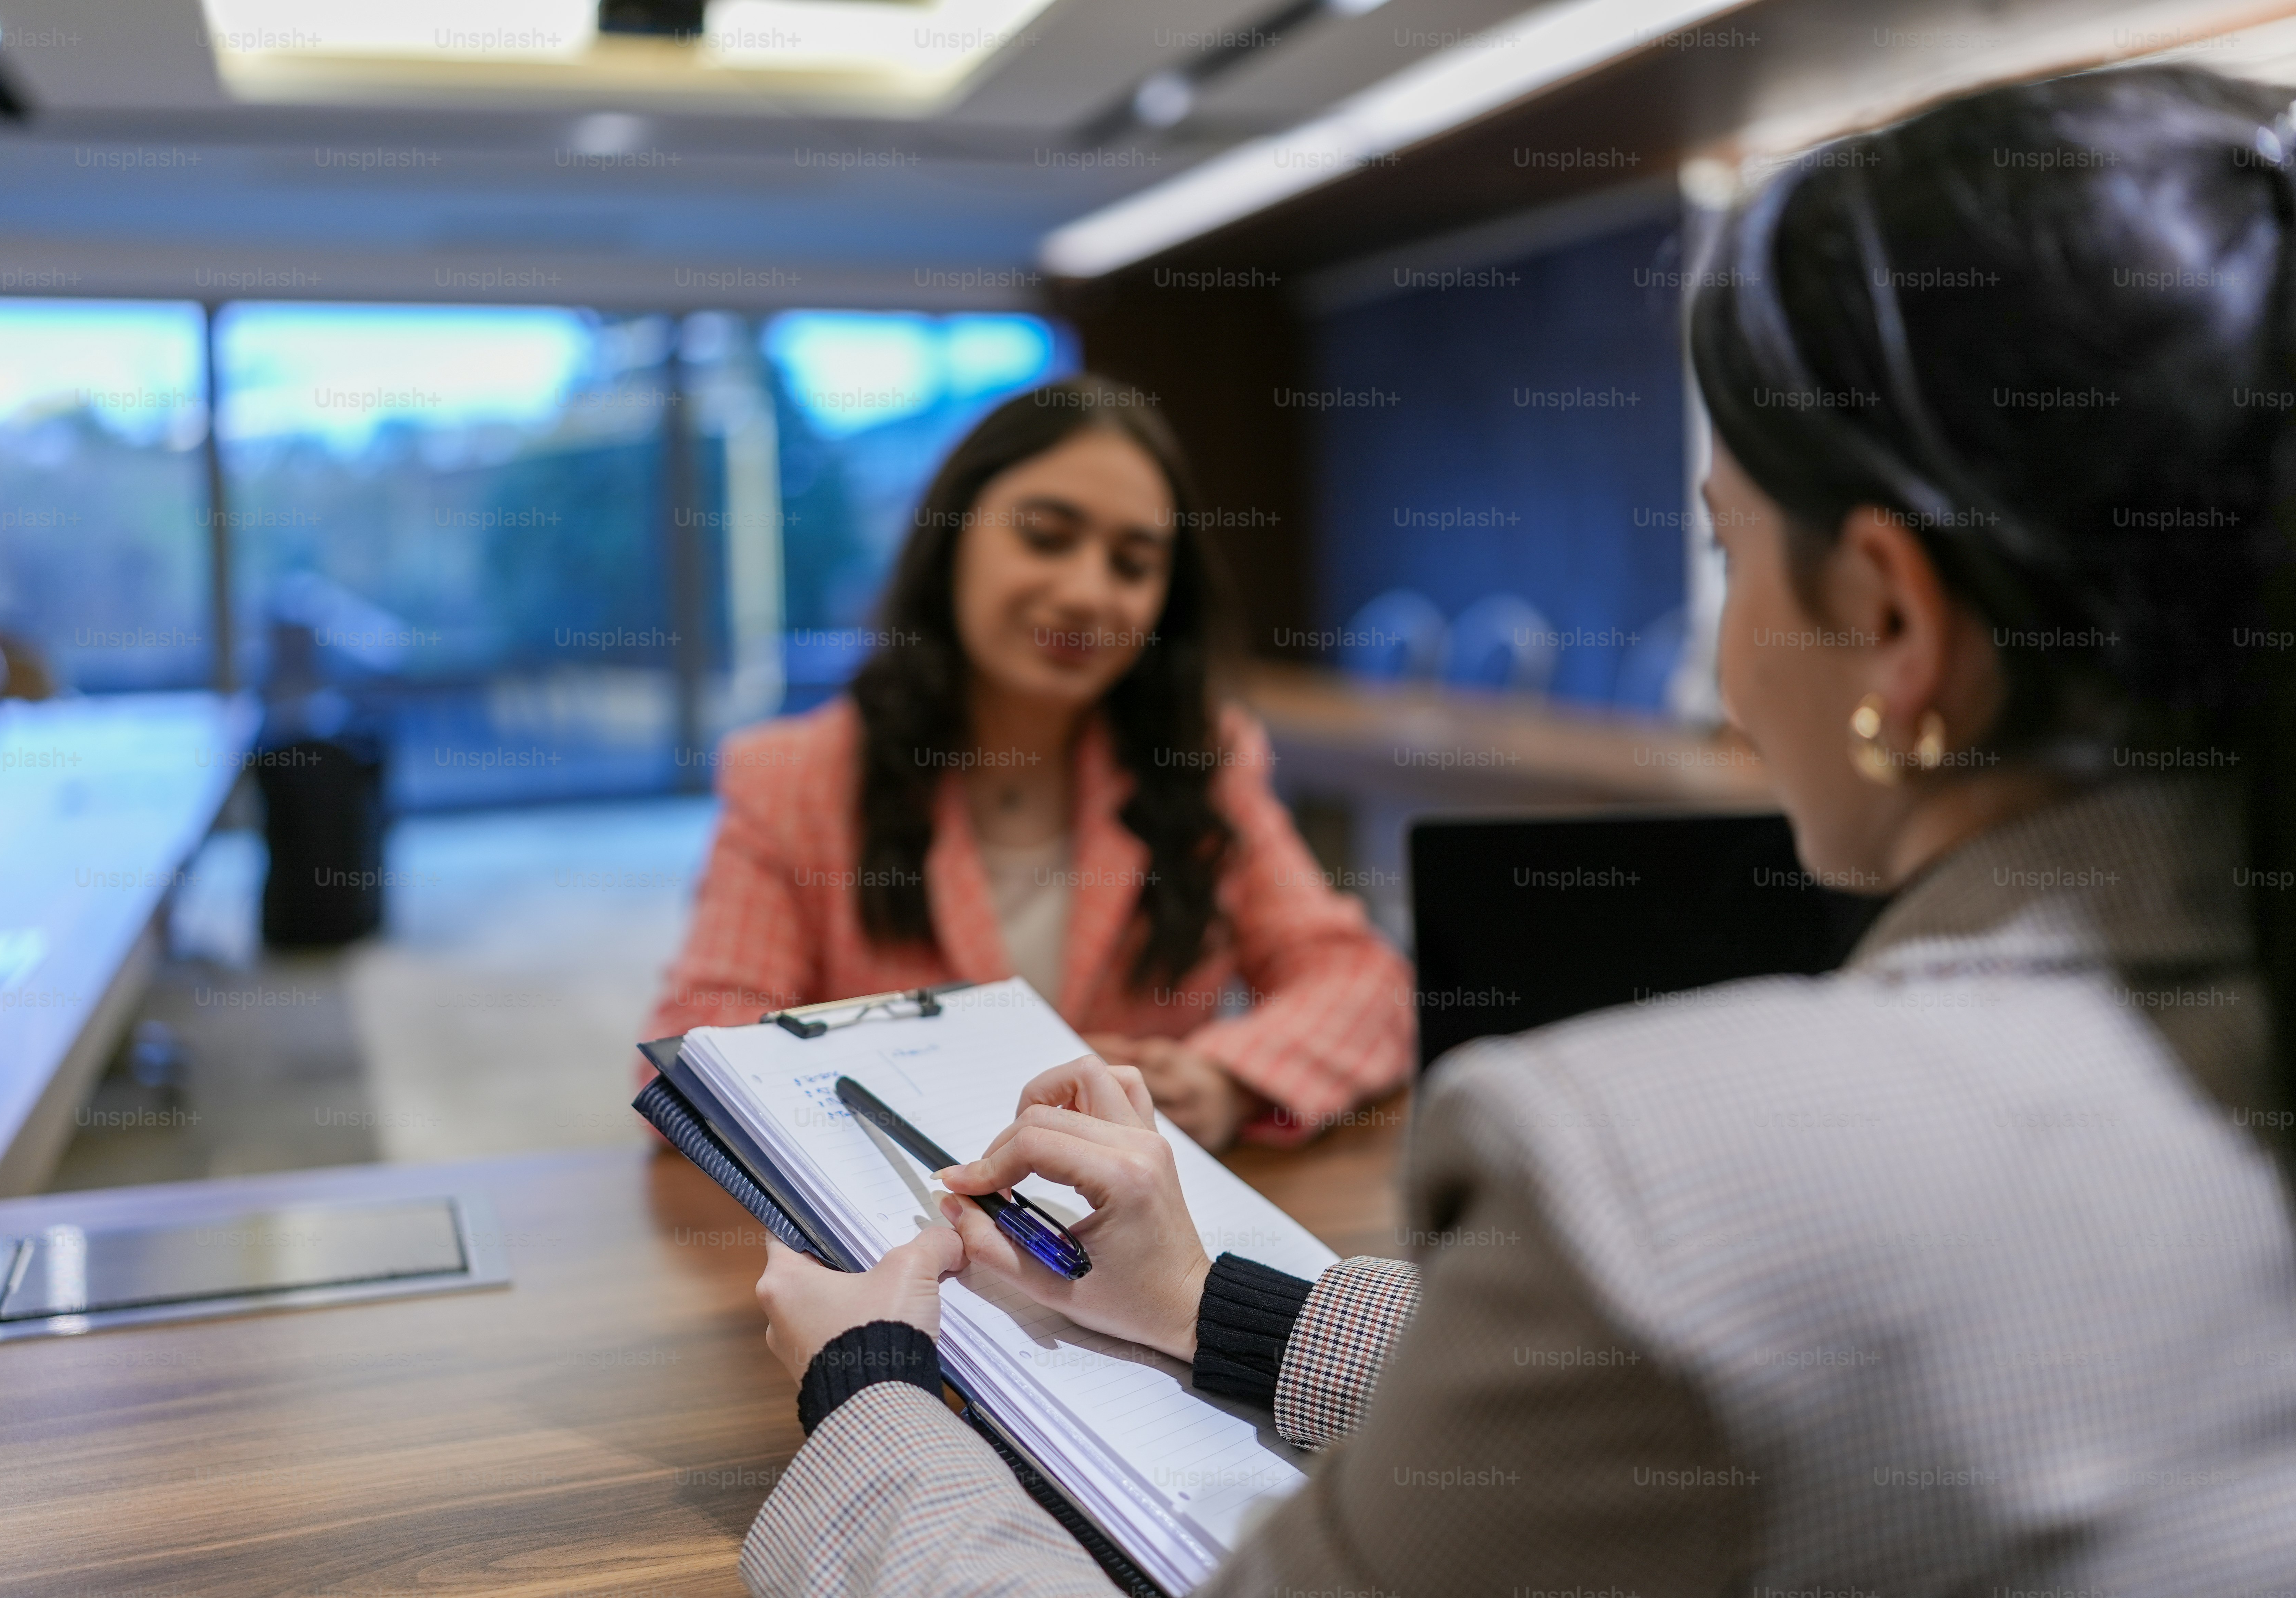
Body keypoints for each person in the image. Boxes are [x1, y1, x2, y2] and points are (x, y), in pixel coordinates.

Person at [735, 65, 2296, 1595]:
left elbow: (1665, 1285)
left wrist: (872, 1398)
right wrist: (1229, 1306)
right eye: (1047, 538)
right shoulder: (799, 771)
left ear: (1887, 617)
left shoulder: (1645, 1172)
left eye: (1722, 547)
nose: (1728, 655)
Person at [642, 377, 1413, 1149]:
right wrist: (966, 1091)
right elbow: (693, 1067)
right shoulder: (796, 778)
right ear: (953, 540)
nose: (1087, 592)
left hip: (1143, 1245)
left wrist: (1225, 1077)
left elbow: (1364, 985)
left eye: (1133, 563)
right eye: (1045, 536)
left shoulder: (1200, 760)